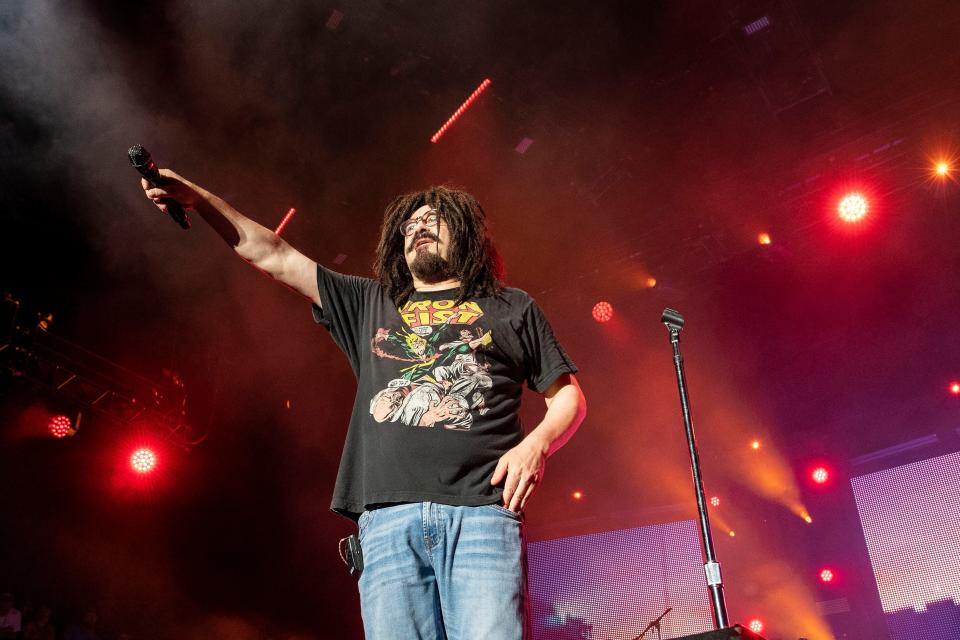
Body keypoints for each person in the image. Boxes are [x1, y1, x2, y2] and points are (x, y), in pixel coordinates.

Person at [141, 172, 587, 639]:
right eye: (409, 224)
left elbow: (568, 398)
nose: (419, 227)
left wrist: (535, 446)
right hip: (387, 521)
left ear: (466, 235)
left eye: (434, 218)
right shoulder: (369, 301)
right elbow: (271, 252)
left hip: (480, 514)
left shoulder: (510, 307)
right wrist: (198, 199)